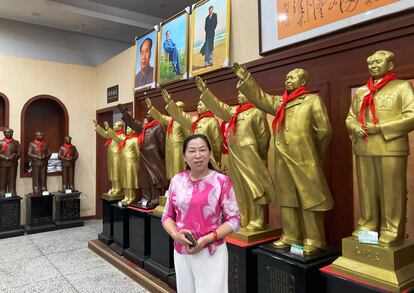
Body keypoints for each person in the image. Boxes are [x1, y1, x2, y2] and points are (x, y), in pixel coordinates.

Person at [235, 62, 334, 254]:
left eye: (292, 77)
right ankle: (291, 236)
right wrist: (246, 79)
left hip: (305, 159)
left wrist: (315, 154)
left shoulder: (312, 101)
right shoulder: (281, 102)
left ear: (303, 81)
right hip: (283, 160)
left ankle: (314, 239)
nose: (287, 80)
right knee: (288, 199)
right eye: (286, 78)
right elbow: (261, 98)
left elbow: (324, 132)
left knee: (309, 199)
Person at [345, 50, 414, 247]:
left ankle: (392, 230)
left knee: (392, 191)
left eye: (378, 62)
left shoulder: (401, 87)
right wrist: (354, 125)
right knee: (367, 190)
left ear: (390, 66)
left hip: (390, 146)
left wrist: (380, 128)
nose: (373, 65)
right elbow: (350, 117)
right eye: (371, 62)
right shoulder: (361, 92)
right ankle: (368, 225)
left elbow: (412, 116)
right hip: (364, 147)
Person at [162, 134, 240, 293]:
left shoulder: (221, 181)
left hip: (211, 252)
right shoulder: (177, 181)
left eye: (202, 150)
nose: (198, 155)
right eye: (192, 151)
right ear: (184, 156)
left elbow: (234, 220)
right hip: (182, 250)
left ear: (210, 153)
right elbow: (167, 216)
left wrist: (206, 240)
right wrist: (175, 235)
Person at [195, 76, 275, 232]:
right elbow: (219, 107)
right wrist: (205, 91)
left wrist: (260, 154)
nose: (239, 95)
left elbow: (264, 136)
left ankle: (258, 219)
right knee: (238, 187)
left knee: (254, 187)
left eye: (242, 92)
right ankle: (243, 217)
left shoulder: (257, 111)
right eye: (238, 93)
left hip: (250, 155)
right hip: (235, 155)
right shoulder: (234, 112)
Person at [118, 105, 169, 209]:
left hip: (154, 158)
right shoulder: (144, 128)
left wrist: (162, 157)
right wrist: (125, 114)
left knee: (154, 178)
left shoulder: (159, 127)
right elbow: (134, 124)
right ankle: (145, 197)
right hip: (143, 157)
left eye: (151, 114)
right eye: (147, 114)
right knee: (144, 178)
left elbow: (162, 143)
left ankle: (155, 198)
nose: (148, 115)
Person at [161, 89, 222, 171]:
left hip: (207, 157)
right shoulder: (195, 121)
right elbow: (181, 116)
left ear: (208, 107)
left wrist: (217, 159)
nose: (198, 107)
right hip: (194, 156)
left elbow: (217, 142)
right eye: (198, 105)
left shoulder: (212, 121)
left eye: (201, 105)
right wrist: (170, 102)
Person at [146, 98, 189, 180]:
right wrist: (151, 108)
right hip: (169, 149)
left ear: (181, 109)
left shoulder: (184, 120)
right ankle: (172, 187)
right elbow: (160, 117)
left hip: (179, 149)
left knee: (178, 169)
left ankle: (180, 187)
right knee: (170, 169)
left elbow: (188, 137)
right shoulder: (171, 120)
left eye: (176, 108)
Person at [106, 123, 140, 205]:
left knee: (130, 179)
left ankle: (132, 196)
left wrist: (137, 162)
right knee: (125, 178)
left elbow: (138, 152)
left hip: (131, 162)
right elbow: (115, 138)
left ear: (133, 130)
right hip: (124, 162)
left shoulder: (135, 139)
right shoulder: (126, 139)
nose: (127, 130)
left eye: (129, 128)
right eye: (127, 128)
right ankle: (127, 196)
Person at [93, 120, 124, 196]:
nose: (114, 127)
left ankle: (118, 188)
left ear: (120, 127)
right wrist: (98, 126)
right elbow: (105, 135)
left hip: (117, 156)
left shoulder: (122, 135)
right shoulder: (113, 134)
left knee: (116, 172)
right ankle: (114, 187)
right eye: (114, 125)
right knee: (112, 172)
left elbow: (118, 139)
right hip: (111, 156)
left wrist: (108, 129)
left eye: (116, 125)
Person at [0, 128, 21, 196]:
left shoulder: (16, 142)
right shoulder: (0, 142)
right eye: (7, 132)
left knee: (12, 178)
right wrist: (5, 157)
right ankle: (2, 191)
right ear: (4, 133)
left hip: (13, 164)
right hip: (3, 164)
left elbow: (19, 152)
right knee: (3, 178)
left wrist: (13, 157)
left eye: (11, 132)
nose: (9, 134)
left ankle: (12, 191)